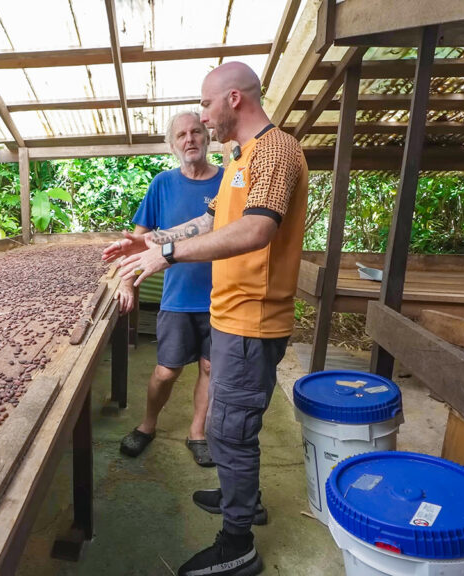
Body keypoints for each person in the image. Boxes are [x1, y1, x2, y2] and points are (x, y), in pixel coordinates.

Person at [103, 61, 308, 576]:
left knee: (229, 431)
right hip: (230, 314)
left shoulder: (277, 150)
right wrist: (152, 239)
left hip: (253, 319)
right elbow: (213, 219)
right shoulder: (242, 158)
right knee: (231, 424)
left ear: (233, 99)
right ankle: (245, 498)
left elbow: (257, 230)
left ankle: (237, 544)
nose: (203, 116)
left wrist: (167, 257)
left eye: (206, 105)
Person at [116, 111, 222, 467]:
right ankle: (148, 424)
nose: (189, 139)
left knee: (210, 368)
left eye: (196, 131)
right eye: (181, 135)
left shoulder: (228, 182)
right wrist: (126, 282)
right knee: (166, 370)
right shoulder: (162, 184)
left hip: (222, 297)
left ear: (208, 137)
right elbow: (137, 240)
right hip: (178, 297)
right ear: (172, 145)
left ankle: (198, 433)